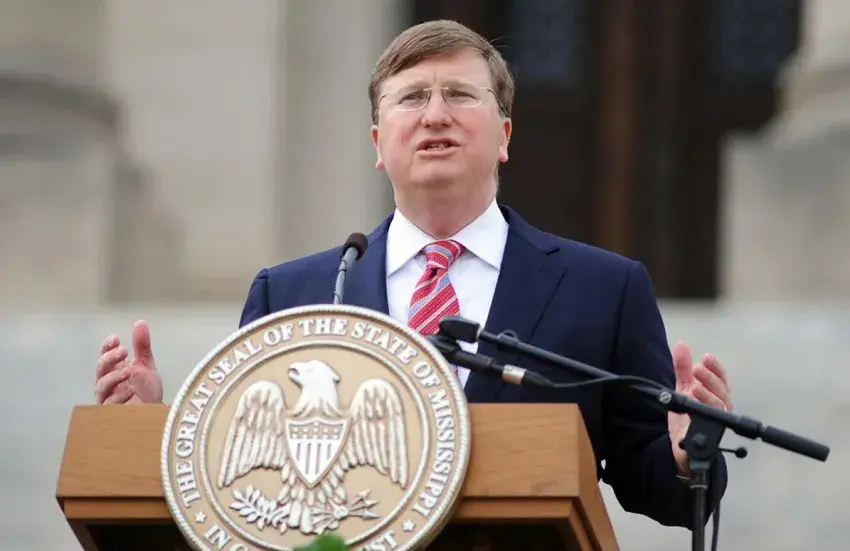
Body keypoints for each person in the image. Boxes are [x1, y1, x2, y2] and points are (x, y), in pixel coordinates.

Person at [94, 19, 733, 529]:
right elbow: (246, 483)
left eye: (459, 94)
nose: (435, 115)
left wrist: (688, 454)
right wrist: (151, 431)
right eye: (412, 98)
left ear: (505, 135)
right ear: (378, 144)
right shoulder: (292, 294)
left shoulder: (603, 290)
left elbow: (663, 490)